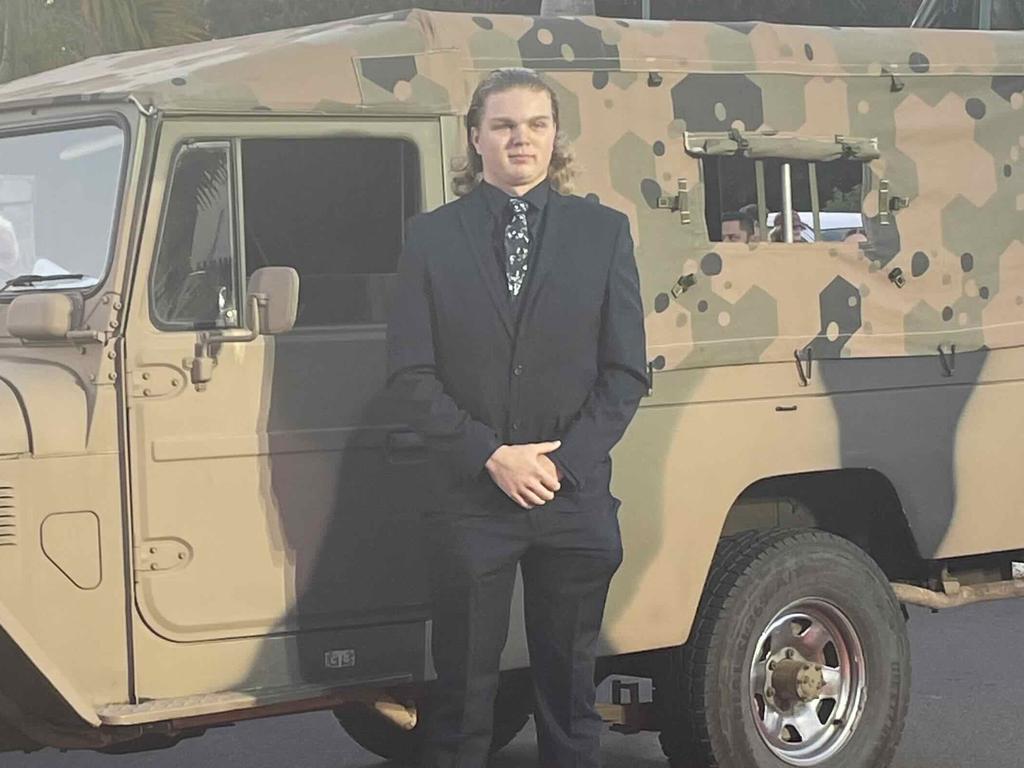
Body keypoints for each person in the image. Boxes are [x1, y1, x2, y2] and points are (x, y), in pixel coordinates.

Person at [386, 67, 648, 768]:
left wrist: (559, 466)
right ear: (476, 138)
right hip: (473, 501)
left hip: (574, 500)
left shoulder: (604, 234)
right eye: (502, 125)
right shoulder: (431, 240)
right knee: (462, 697)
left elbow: (627, 373)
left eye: (535, 124)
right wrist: (493, 457)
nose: (520, 139)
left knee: (568, 694)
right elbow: (409, 376)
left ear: (555, 136)